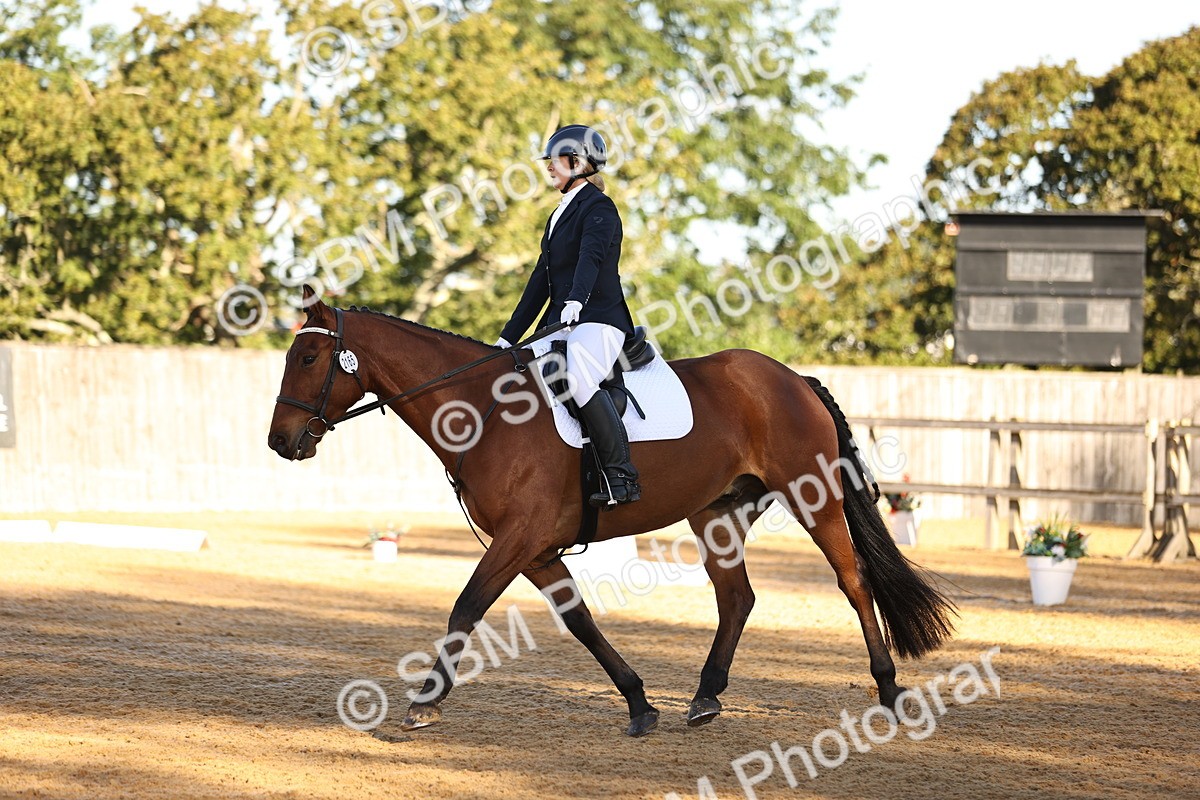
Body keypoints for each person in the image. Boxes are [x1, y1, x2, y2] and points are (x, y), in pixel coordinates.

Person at [493, 124, 640, 507]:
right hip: (564, 319)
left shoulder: (599, 208)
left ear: (576, 162)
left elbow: (590, 258)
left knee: (576, 376)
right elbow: (539, 282)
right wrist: (509, 335)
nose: (548, 168)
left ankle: (620, 476)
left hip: (600, 319)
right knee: (515, 370)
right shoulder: (559, 214)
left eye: (554, 162)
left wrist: (577, 300)